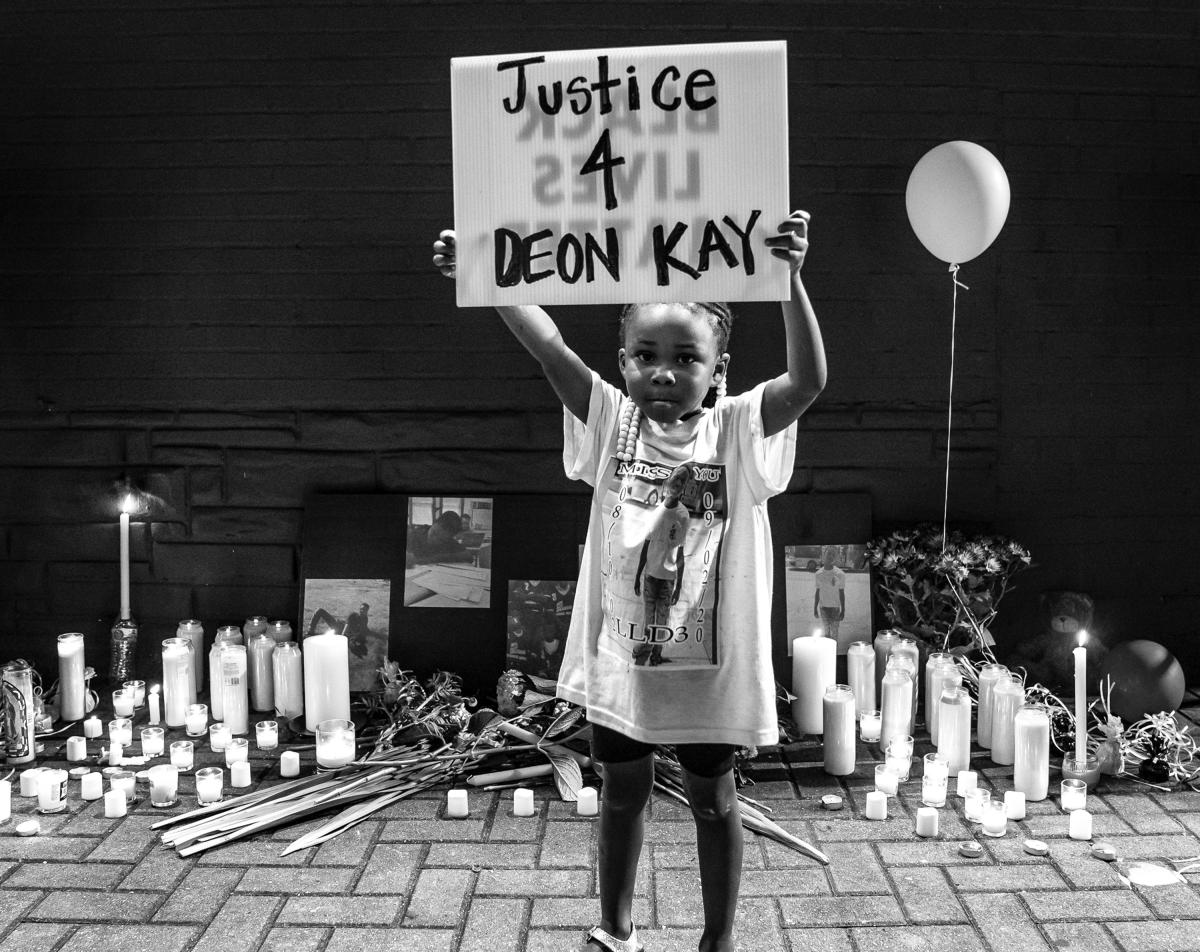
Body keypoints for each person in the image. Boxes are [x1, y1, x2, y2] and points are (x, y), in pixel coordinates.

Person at [432, 209, 825, 952]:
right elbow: (548, 346)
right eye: (646, 354)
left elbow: (808, 381)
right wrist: (484, 279)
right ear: (621, 361)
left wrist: (790, 278)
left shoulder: (738, 430)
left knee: (714, 801)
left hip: (708, 672)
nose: (664, 372)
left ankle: (718, 940)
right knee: (621, 792)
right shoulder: (611, 423)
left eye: (686, 357)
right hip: (626, 662)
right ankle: (616, 928)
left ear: (719, 369)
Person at [813, 546, 846, 643]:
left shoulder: (840, 574)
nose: (830, 556)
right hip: (823, 608)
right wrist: (815, 608)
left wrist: (843, 610)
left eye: (833, 554)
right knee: (826, 635)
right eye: (828, 554)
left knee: (834, 635)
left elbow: (841, 592)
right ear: (824, 556)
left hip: (835, 608)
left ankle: (834, 655)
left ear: (835, 558)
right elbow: (818, 591)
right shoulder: (818, 574)